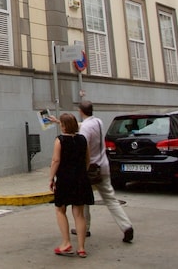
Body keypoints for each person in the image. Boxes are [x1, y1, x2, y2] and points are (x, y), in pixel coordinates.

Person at [77, 100, 134, 243]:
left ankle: (85, 227)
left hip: (91, 168)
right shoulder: (98, 122)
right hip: (103, 165)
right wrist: (59, 121)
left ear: (80, 111)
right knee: (110, 199)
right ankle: (126, 226)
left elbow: (83, 148)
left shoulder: (85, 128)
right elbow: (81, 126)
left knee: (83, 199)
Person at [49, 112, 93, 257]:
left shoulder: (60, 140)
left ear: (63, 126)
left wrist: (51, 178)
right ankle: (81, 248)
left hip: (65, 180)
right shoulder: (82, 139)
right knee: (79, 214)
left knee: (60, 210)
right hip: (81, 179)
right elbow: (87, 160)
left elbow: (56, 160)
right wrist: (82, 172)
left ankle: (66, 243)